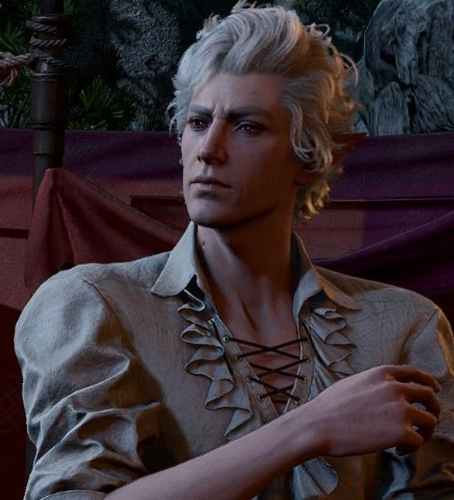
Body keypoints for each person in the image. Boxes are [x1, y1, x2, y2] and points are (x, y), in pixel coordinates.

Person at [15, 3, 454, 499]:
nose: (209, 149)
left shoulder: (404, 325)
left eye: (248, 127)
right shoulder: (94, 305)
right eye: (198, 122)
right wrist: (308, 428)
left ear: (314, 155)